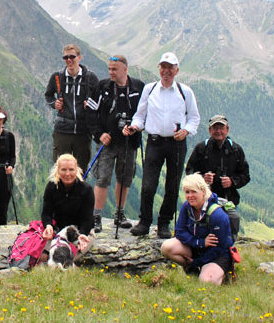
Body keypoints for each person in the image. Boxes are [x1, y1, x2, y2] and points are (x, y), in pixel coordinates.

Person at [124, 52, 200, 238]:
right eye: (163, 67)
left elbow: (194, 118)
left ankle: (164, 224)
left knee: (172, 186)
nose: (166, 71)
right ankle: (144, 222)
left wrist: (187, 131)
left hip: (177, 143)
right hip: (155, 142)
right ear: (159, 68)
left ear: (176, 70)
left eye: (170, 68)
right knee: (148, 185)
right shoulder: (150, 90)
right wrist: (135, 126)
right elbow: (140, 116)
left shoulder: (185, 91)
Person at [90, 55, 145, 232]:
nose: (111, 72)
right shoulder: (102, 86)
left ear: (125, 69)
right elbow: (90, 113)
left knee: (125, 177)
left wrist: (136, 128)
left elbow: (145, 113)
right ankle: (96, 216)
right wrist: (99, 134)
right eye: (109, 69)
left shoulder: (139, 87)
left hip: (130, 142)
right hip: (107, 142)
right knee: (103, 177)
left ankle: (119, 214)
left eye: (114, 69)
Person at [160, 174, 234, 285]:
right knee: (166, 247)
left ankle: (221, 274)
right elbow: (179, 232)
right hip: (197, 248)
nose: (190, 196)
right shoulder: (187, 207)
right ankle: (193, 270)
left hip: (216, 256)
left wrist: (196, 262)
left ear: (203, 191)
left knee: (207, 282)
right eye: (187, 192)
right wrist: (200, 242)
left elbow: (219, 248)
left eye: (194, 192)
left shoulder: (217, 215)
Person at [185, 114, 249, 239]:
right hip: (204, 200)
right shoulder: (201, 148)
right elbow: (189, 171)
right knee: (206, 230)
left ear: (227, 129)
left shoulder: (235, 150)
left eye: (221, 127)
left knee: (230, 223)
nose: (218, 131)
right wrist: (202, 179)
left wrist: (232, 181)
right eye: (215, 128)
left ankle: (228, 250)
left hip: (228, 199)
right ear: (210, 130)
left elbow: (245, 175)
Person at [44, 43, 100, 172]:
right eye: (65, 57)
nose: (69, 60)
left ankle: (79, 192)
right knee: (61, 170)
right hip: (62, 131)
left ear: (79, 57)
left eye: (72, 57)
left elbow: (100, 100)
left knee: (81, 170)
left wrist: (91, 105)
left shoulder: (91, 78)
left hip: (83, 131)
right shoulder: (57, 77)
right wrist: (54, 104)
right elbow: (48, 96)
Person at [41, 154, 94, 255]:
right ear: (58, 171)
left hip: (81, 231)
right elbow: (46, 213)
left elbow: (88, 219)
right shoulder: (52, 187)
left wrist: (83, 234)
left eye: (71, 169)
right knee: (44, 255)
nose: (67, 174)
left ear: (76, 170)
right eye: (63, 170)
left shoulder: (86, 190)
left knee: (67, 255)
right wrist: (48, 225)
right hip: (59, 230)